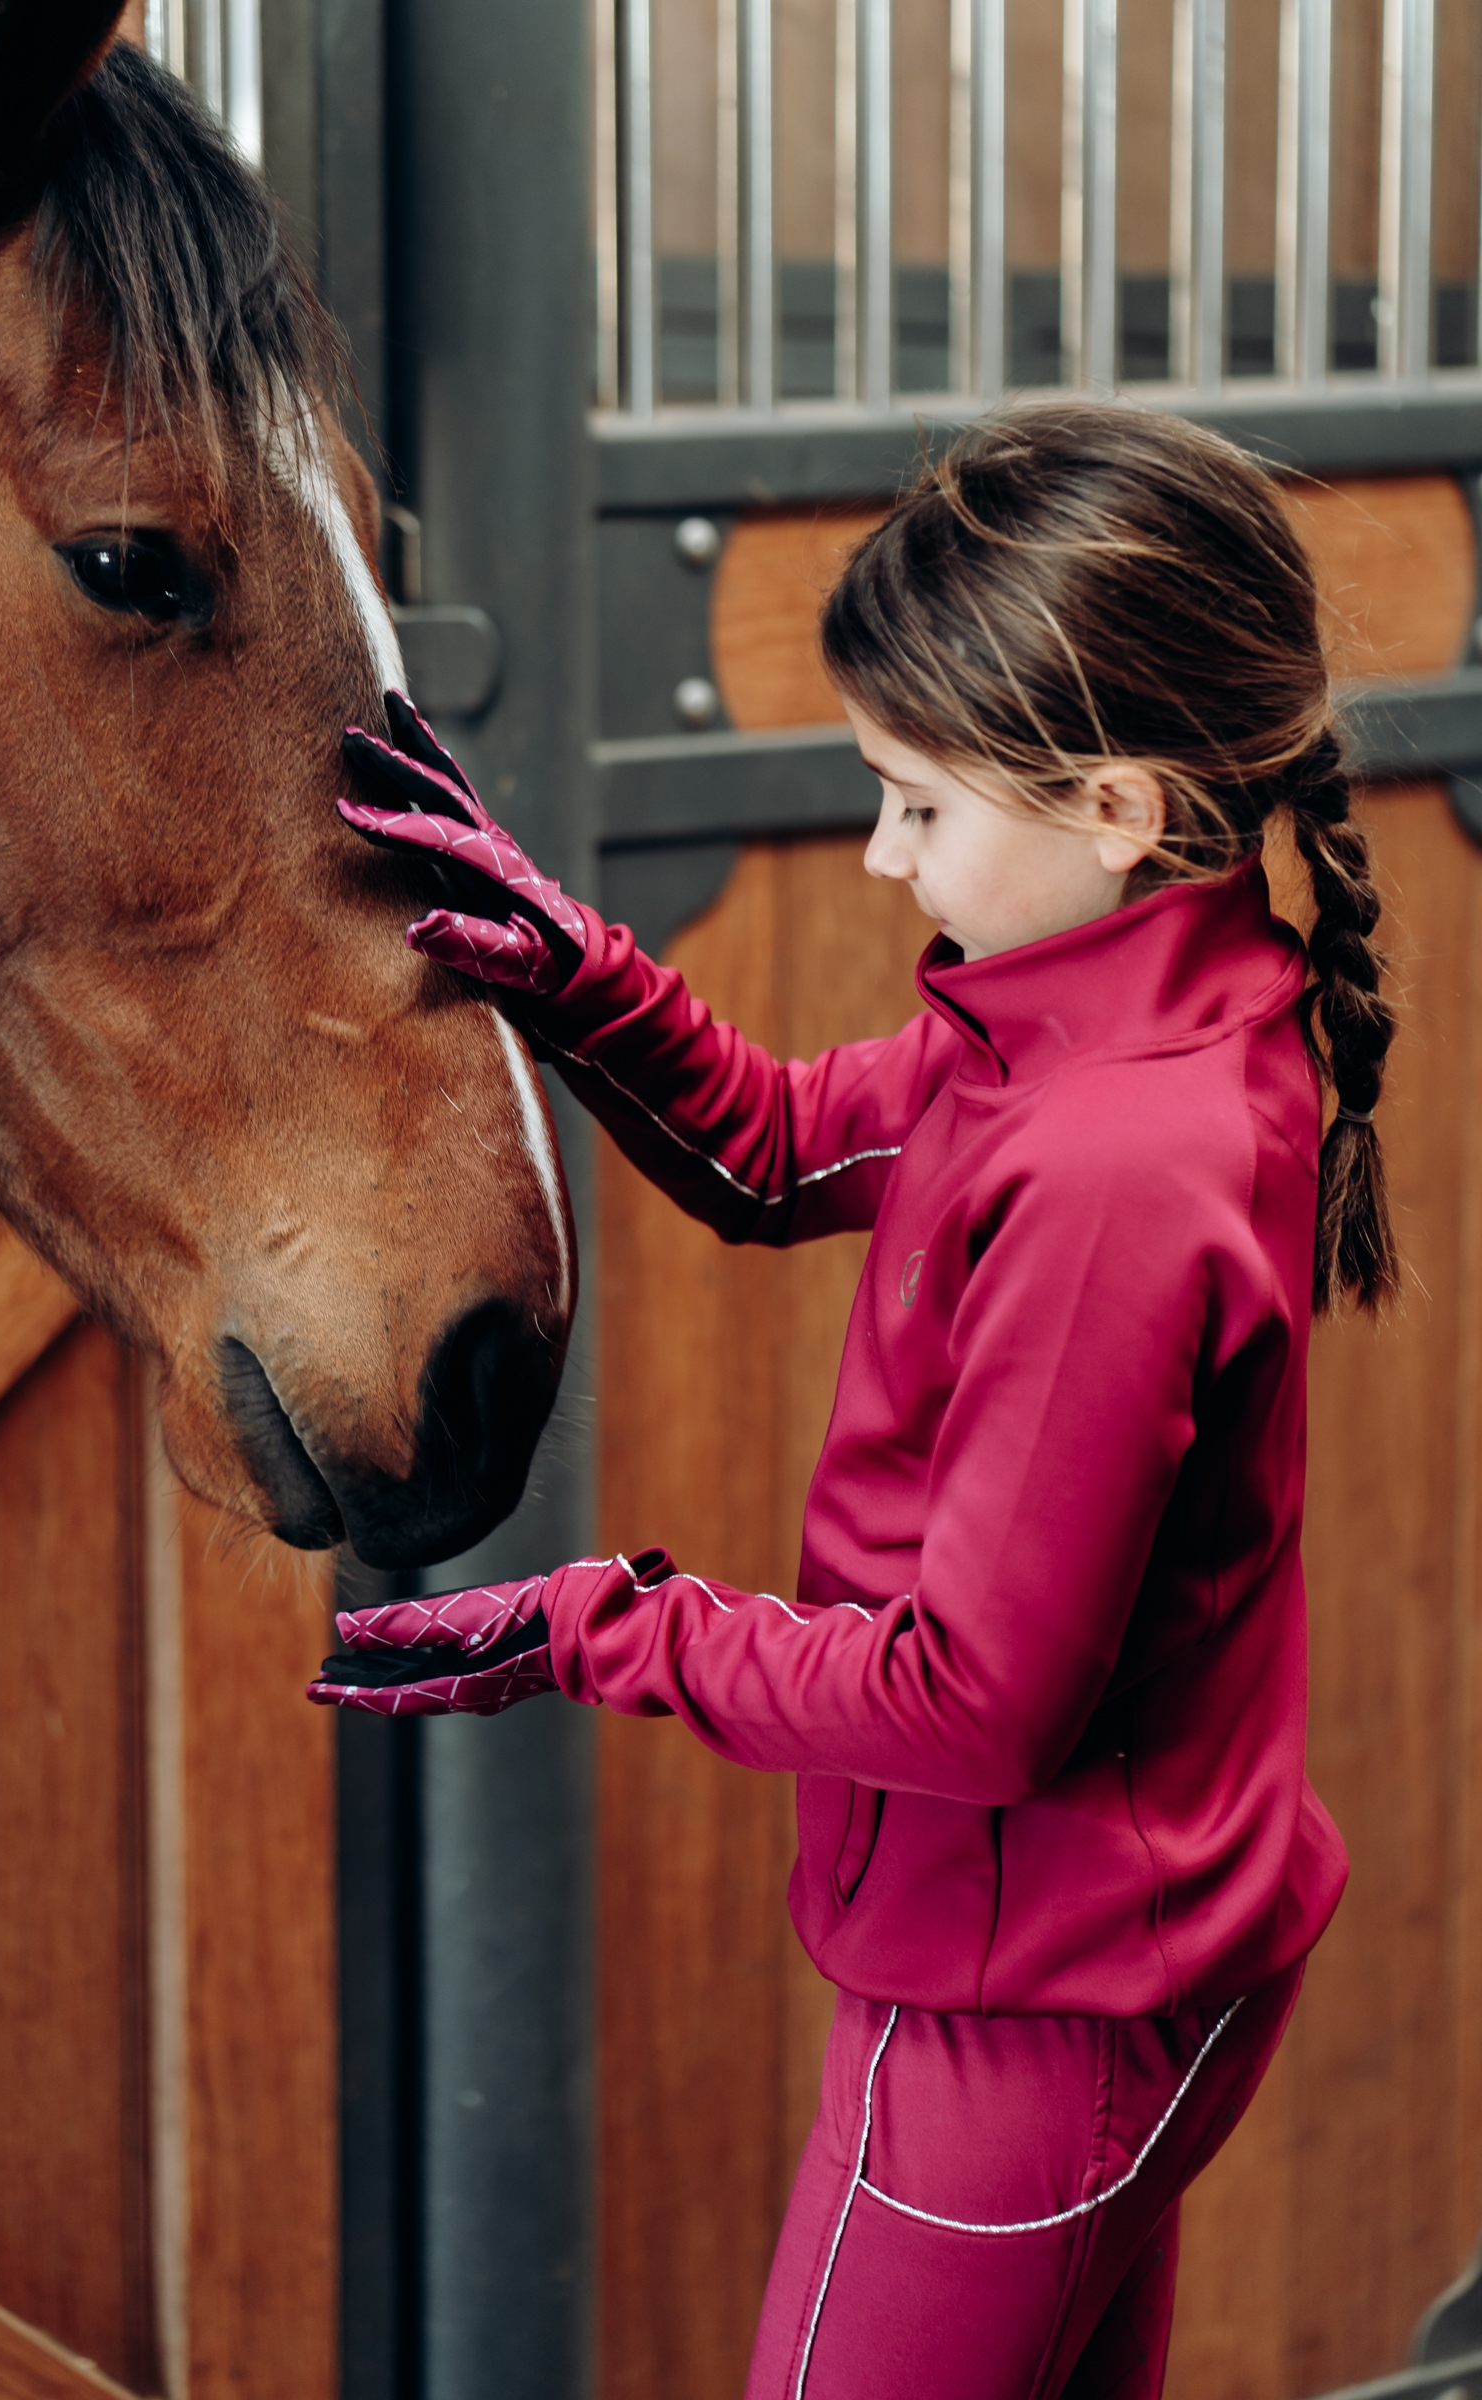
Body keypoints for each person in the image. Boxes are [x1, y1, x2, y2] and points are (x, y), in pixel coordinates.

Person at [309, 401, 1395, 2399]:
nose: (886, 855)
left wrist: (587, 1629)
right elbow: (788, 1149)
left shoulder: (1113, 1172)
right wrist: (565, 965)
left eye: (915, 800)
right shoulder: (1122, 998)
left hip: (1024, 2015)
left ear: (1119, 806)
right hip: (1100, 1960)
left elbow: (968, 1704)